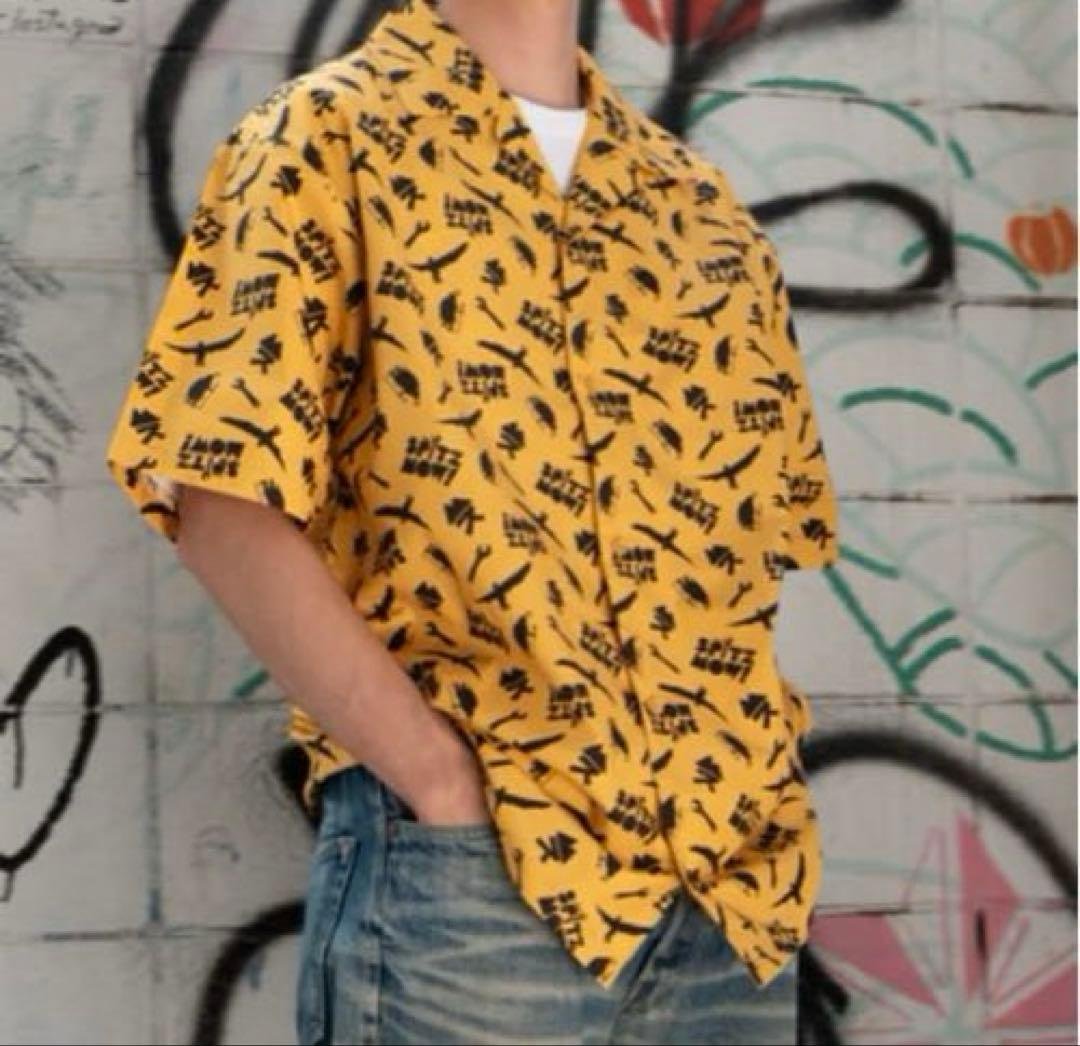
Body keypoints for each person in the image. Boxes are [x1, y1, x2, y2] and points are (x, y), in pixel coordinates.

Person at [104, 0, 841, 1042]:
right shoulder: (323, 139)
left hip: (729, 905)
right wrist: (439, 781)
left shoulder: (696, 207)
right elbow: (222, 505)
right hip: (475, 888)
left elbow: (753, 549)